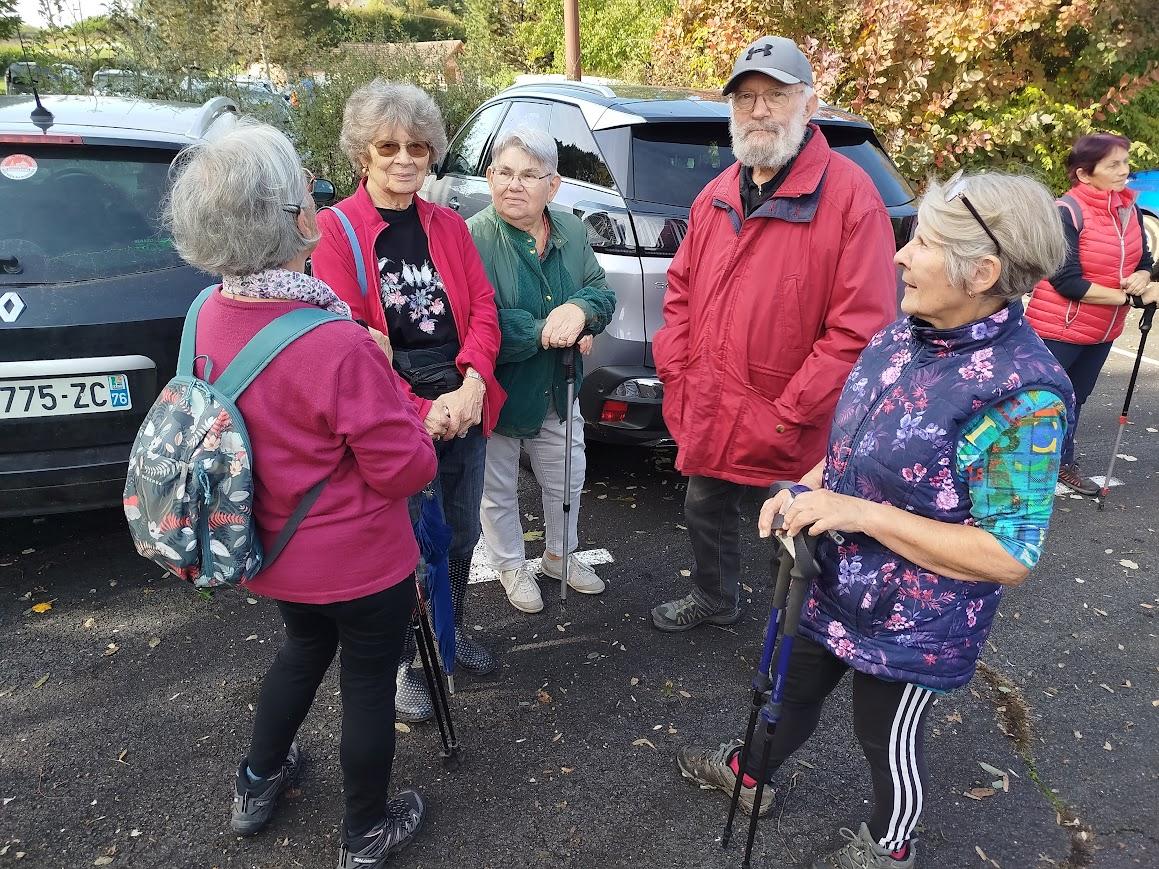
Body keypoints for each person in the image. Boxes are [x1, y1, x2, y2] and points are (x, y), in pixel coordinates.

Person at [677, 171, 1075, 869]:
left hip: (914, 619)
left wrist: (856, 510)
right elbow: (855, 443)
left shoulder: (1023, 395)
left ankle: (889, 846)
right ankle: (749, 773)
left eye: (922, 242)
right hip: (829, 578)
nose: (900, 254)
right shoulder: (905, 333)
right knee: (783, 689)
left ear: (981, 272)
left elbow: (1008, 553)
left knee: (881, 736)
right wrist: (803, 487)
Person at [165, 119, 437, 868]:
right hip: (360, 560)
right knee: (368, 682)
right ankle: (364, 831)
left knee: (302, 647)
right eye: (307, 195)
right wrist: (418, 422)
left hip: (271, 550)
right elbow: (402, 470)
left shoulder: (203, 314)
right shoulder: (334, 340)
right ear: (293, 219)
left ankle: (257, 782)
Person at [649, 35, 898, 632]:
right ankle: (715, 599)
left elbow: (860, 329)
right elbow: (680, 291)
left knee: (795, 530)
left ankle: (797, 628)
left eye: (775, 96)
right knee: (704, 510)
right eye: (746, 98)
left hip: (793, 419)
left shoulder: (850, 200)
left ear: (808, 105)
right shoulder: (715, 196)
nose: (759, 110)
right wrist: (677, 367)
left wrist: (791, 408)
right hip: (714, 403)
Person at [312, 79, 504, 722]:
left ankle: (447, 636)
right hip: (390, 408)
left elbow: (482, 310)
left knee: (459, 534)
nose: (404, 159)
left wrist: (472, 383)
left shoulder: (447, 224)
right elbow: (345, 340)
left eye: (418, 147)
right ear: (362, 153)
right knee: (401, 545)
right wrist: (416, 407)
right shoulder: (336, 232)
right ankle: (397, 664)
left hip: (462, 397)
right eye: (388, 146)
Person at [467, 127, 617, 613]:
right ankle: (510, 564)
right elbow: (477, 318)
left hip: (558, 388)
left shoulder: (571, 230)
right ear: (490, 178)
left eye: (530, 175)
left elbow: (599, 290)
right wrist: (543, 331)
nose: (515, 184)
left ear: (552, 186)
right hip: (497, 393)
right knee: (497, 489)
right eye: (505, 172)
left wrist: (581, 311)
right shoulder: (473, 238)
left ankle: (560, 554)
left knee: (567, 477)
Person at [1026, 133, 1158, 494]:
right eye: (1113, 164)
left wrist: (1143, 276)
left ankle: (1062, 463)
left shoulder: (1128, 209)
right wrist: (1126, 298)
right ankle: (1020, 472)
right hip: (1058, 329)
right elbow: (1064, 280)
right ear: (1085, 174)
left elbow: (1145, 261)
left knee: (1076, 398)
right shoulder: (1066, 212)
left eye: (1125, 162)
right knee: (1038, 401)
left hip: (1102, 331)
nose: (1124, 171)